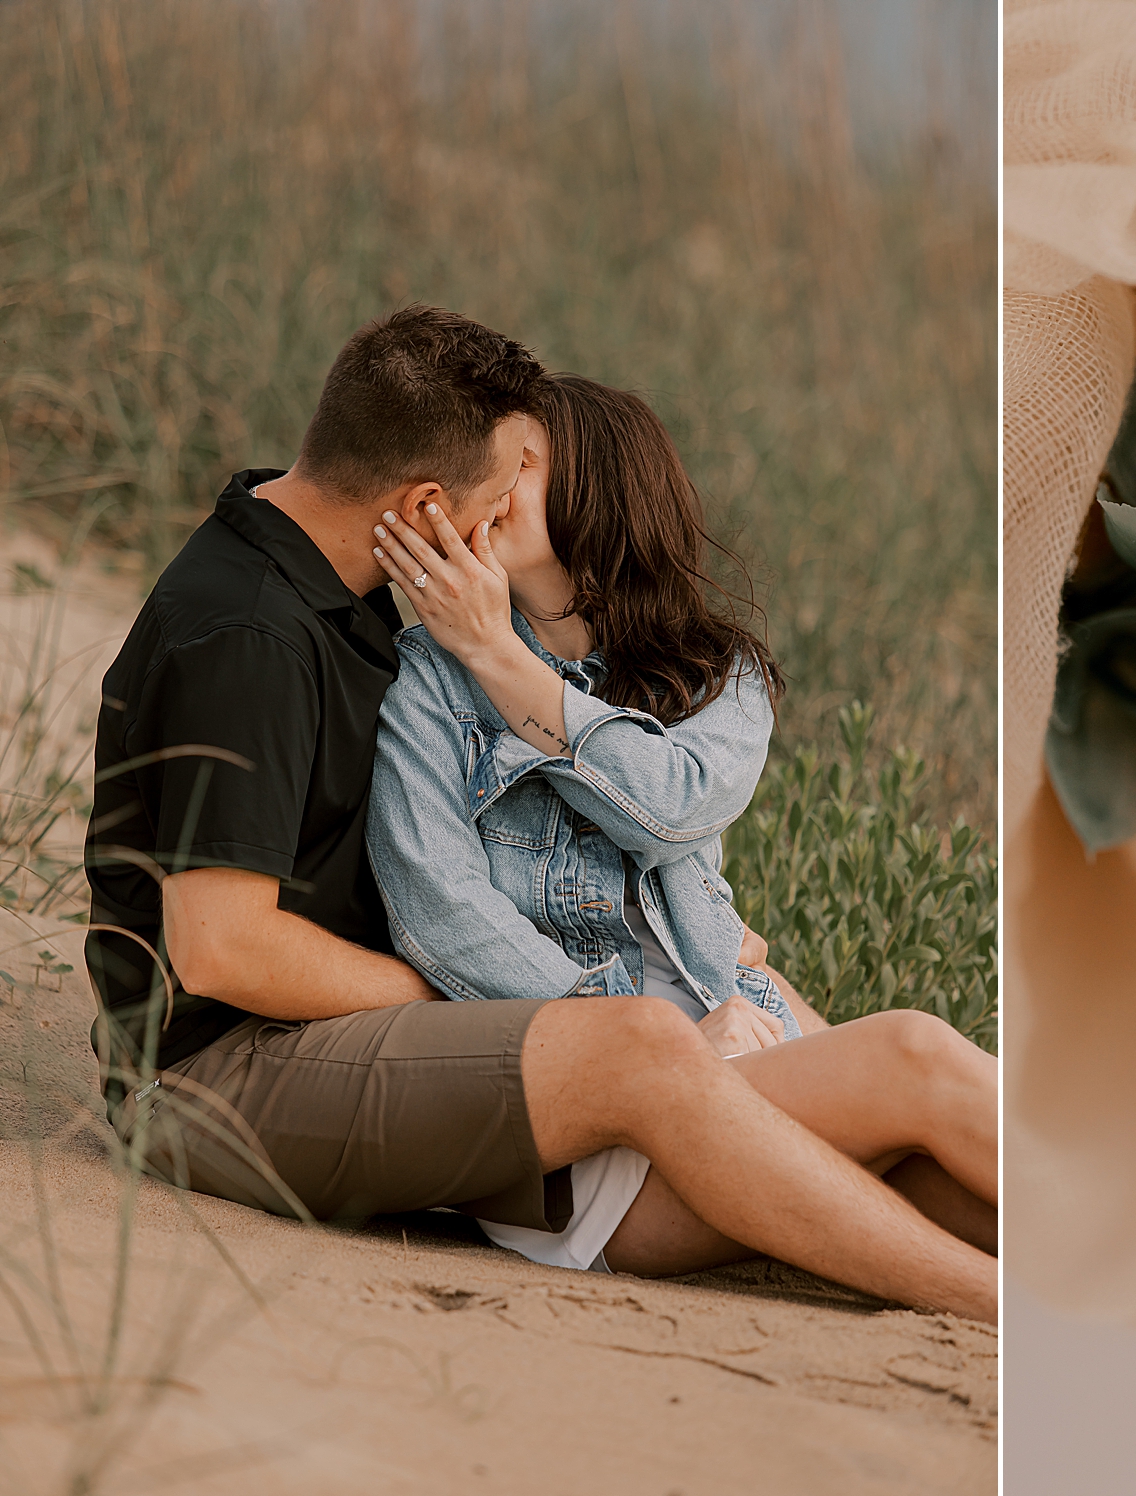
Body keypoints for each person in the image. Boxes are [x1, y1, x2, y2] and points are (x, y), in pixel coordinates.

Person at [83, 306, 995, 1321]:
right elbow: (224, 953)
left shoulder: (346, 607)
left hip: (457, 1040)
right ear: (431, 500)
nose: (509, 497)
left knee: (899, 1111)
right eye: (508, 471)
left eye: (529, 473)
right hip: (224, 1073)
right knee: (672, 1042)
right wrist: (491, 1010)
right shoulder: (262, 633)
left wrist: (710, 958)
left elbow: (670, 820)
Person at [362, 373, 997, 1275]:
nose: (492, 482)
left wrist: (500, 657)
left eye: (524, 462)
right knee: (914, 1046)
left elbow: (668, 810)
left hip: (749, 1045)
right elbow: (439, 912)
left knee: (961, 1192)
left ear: (604, 488)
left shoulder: (718, 675)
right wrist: (634, 1038)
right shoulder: (428, 679)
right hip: (607, 1112)